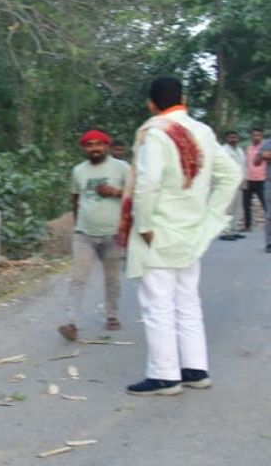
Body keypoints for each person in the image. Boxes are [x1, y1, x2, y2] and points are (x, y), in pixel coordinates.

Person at [120, 77, 241, 396]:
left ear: (151, 104)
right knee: (187, 301)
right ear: (184, 99)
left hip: (158, 233)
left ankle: (165, 376)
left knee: (158, 304)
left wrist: (144, 226)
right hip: (190, 233)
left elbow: (147, 185)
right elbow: (232, 175)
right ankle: (195, 370)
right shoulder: (202, 132)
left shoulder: (155, 133)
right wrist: (209, 214)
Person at [58, 129, 130, 342]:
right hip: (84, 235)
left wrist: (115, 192)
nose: (94, 149)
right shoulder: (78, 170)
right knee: (78, 279)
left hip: (113, 235)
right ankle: (71, 323)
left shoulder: (122, 168)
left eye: (99, 144)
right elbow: (75, 199)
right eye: (89, 145)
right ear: (83, 148)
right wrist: (78, 223)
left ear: (107, 146)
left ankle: (112, 315)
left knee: (112, 278)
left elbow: (136, 195)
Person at [218, 129, 246, 241]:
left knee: (236, 208)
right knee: (227, 209)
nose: (233, 139)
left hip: (239, 183)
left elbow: (243, 166)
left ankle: (234, 230)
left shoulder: (240, 150)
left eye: (235, 137)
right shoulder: (223, 151)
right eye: (231, 137)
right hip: (227, 183)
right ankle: (225, 232)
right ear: (226, 139)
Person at [242, 127, 266, 231]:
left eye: (258, 135)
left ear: (261, 137)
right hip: (248, 180)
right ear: (251, 136)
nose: (256, 137)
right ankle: (247, 226)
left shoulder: (265, 148)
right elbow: (246, 163)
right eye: (254, 135)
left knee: (266, 204)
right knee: (246, 204)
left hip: (262, 180)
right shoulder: (248, 148)